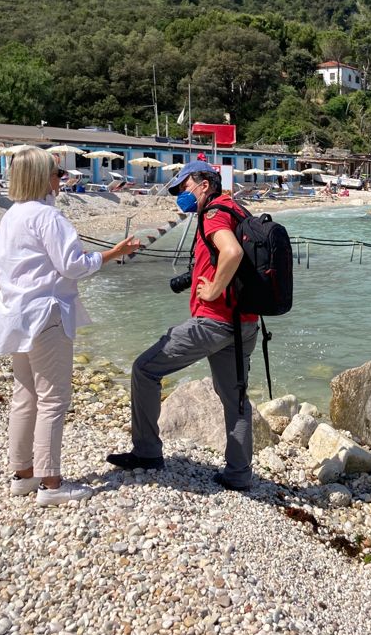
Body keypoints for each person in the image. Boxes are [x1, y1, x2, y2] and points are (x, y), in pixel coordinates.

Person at [0, 147, 141, 507]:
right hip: (47, 313)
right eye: (58, 174)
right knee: (53, 399)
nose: (61, 180)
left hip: (16, 312)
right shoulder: (48, 217)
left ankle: (23, 474)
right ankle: (51, 483)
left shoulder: (11, 215)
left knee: (25, 395)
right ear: (43, 178)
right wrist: (113, 253)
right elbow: (72, 266)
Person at [107, 160, 259, 491]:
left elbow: (232, 252)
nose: (180, 195)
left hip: (214, 321)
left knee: (145, 369)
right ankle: (239, 475)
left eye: (184, 187)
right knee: (235, 399)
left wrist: (214, 289)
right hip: (244, 322)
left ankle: (147, 452)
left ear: (204, 185)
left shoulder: (215, 213)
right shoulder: (237, 209)